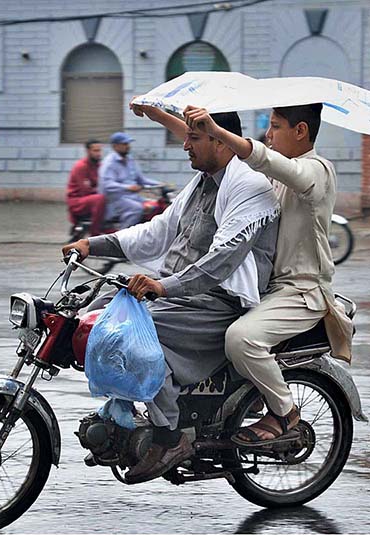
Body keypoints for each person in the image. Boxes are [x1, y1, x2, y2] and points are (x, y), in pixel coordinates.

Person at [63, 108, 279, 484]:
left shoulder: (249, 186)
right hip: (178, 292)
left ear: (219, 139)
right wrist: (91, 244)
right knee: (95, 313)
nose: (184, 145)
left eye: (193, 138)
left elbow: (221, 262)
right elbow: (155, 233)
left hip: (216, 301)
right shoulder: (202, 182)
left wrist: (163, 287)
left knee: (135, 333)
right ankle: (122, 408)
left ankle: (169, 436)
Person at [183, 104, 353, 446]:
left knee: (241, 338)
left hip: (302, 291)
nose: (268, 134)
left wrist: (217, 131)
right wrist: (165, 117)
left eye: (275, 126)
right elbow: (210, 150)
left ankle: (285, 414)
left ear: (301, 131)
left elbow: (263, 159)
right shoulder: (274, 175)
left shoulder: (318, 171)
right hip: (267, 289)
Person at [98, 131, 160, 229]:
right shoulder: (109, 163)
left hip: (132, 197)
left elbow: (141, 179)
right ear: (115, 146)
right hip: (116, 199)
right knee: (137, 209)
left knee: (154, 207)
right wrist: (128, 187)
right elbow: (107, 184)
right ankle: (121, 238)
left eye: (128, 144)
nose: (128, 146)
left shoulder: (130, 160)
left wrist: (161, 185)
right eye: (124, 144)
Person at [66, 140, 106, 236]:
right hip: (77, 201)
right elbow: (85, 190)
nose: (98, 153)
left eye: (100, 150)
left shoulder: (99, 166)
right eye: (95, 151)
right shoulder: (81, 166)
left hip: (90, 198)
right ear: (88, 151)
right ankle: (95, 233)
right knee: (100, 198)